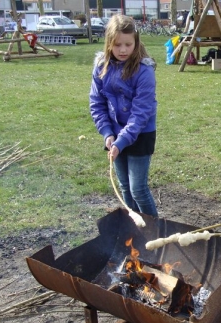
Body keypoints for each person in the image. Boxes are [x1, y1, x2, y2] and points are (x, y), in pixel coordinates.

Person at [89, 15, 159, 218]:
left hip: (140, 133)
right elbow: (97, 103)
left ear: (136, 42)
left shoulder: (144, 71)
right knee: (125, 187)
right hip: (114, 134)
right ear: (109, 42)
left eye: (128, 44)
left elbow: (141, 113)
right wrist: (107, 133)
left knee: (138, 188)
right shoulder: (101, 67)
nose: (123, 50)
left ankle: (157, 231)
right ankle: (135, 229)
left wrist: (121, 141)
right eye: (117, 44)